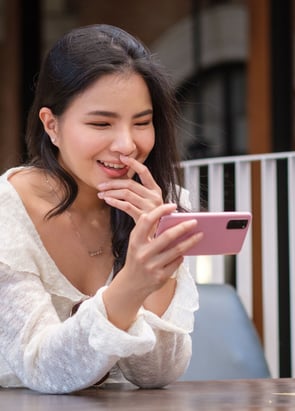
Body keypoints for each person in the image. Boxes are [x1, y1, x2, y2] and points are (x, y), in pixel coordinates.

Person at [0, 24, 203, 394]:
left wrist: (157, 264)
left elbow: (157, 373)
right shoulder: (7, 215)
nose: (127, 144)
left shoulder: (161, 206)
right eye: (101, 123)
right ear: (52, 125)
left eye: (142, 122)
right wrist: (132, 282)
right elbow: (44, 368)